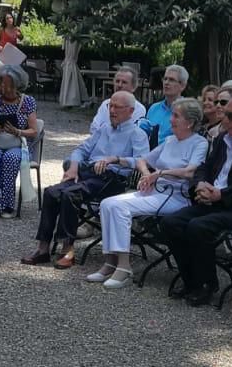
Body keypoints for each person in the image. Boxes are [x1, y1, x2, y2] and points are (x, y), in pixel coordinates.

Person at [159, 92, 232, 306]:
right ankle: (191, 280)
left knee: (198, 227)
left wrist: (221, 194)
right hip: (214, 200)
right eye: (225, 115)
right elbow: (205, 167)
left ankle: (207, 284)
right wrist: (200, 185)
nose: (225, 120)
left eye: (231, 116)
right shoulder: (224, 138)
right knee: (170, 223)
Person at [88, 98, 209, 288]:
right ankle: (110, 262)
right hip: (156, 192)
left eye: (176, 116)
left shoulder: (199, 143)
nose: (171, 120)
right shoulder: (170, 140)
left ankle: (124, 267)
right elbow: (142, 160)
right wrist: (146, 175)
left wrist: (159, 173)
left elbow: (190, 171)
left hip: (176, 197)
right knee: (107, 203)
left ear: (190, 122)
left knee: (119, 208)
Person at [20, 91, 149, 269]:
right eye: (110, 106)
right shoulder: (104, 129)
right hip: (87, 173)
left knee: (70, 195)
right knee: (51, 192)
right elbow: (82, 149)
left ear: (130, 111)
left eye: (117, 107)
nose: (112, 110)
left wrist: (115, 159)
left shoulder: (137, 134)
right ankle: (43, 248)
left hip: (111, 180)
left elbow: (143, 161)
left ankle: (68, 249)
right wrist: (73, 165)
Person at [0, 65, 40, 223]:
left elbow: (34, 131)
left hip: (18, 145)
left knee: (11, 158)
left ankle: (7, 206)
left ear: (18, 85)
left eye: (10, 86)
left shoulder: (28, 102)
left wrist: (18, 131)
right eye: (3, 85)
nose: (6, 89)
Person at [141, 65, 189, 145]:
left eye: (172, 80)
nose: (166, 83)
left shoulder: (187, 110)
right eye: (165, 79)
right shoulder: (153, 108)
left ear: (182, 86)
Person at [91, 67, 148, 132]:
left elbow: (130, 132)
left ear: (133, 87)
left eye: (124, 82)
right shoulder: (105, 104)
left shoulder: (139, 109)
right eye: (117, 81)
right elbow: (94, 128)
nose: (119, 85)